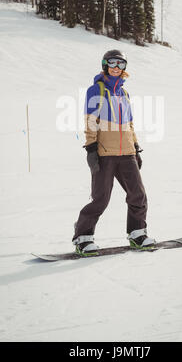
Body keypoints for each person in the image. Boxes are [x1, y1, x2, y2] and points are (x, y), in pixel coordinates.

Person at [72, 49, 155, 256]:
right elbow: (91, 120)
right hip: (105, 152)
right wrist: (91, 148)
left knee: (138, 195)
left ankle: (137, 234)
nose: (117, 68)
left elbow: (130, 123)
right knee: (101, 198)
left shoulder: (124, 93)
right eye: (113, 63)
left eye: (121, 64)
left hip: (126, 152)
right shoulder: (96, 90)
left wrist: (135, 147)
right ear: (105, 65)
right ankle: (83, 238)